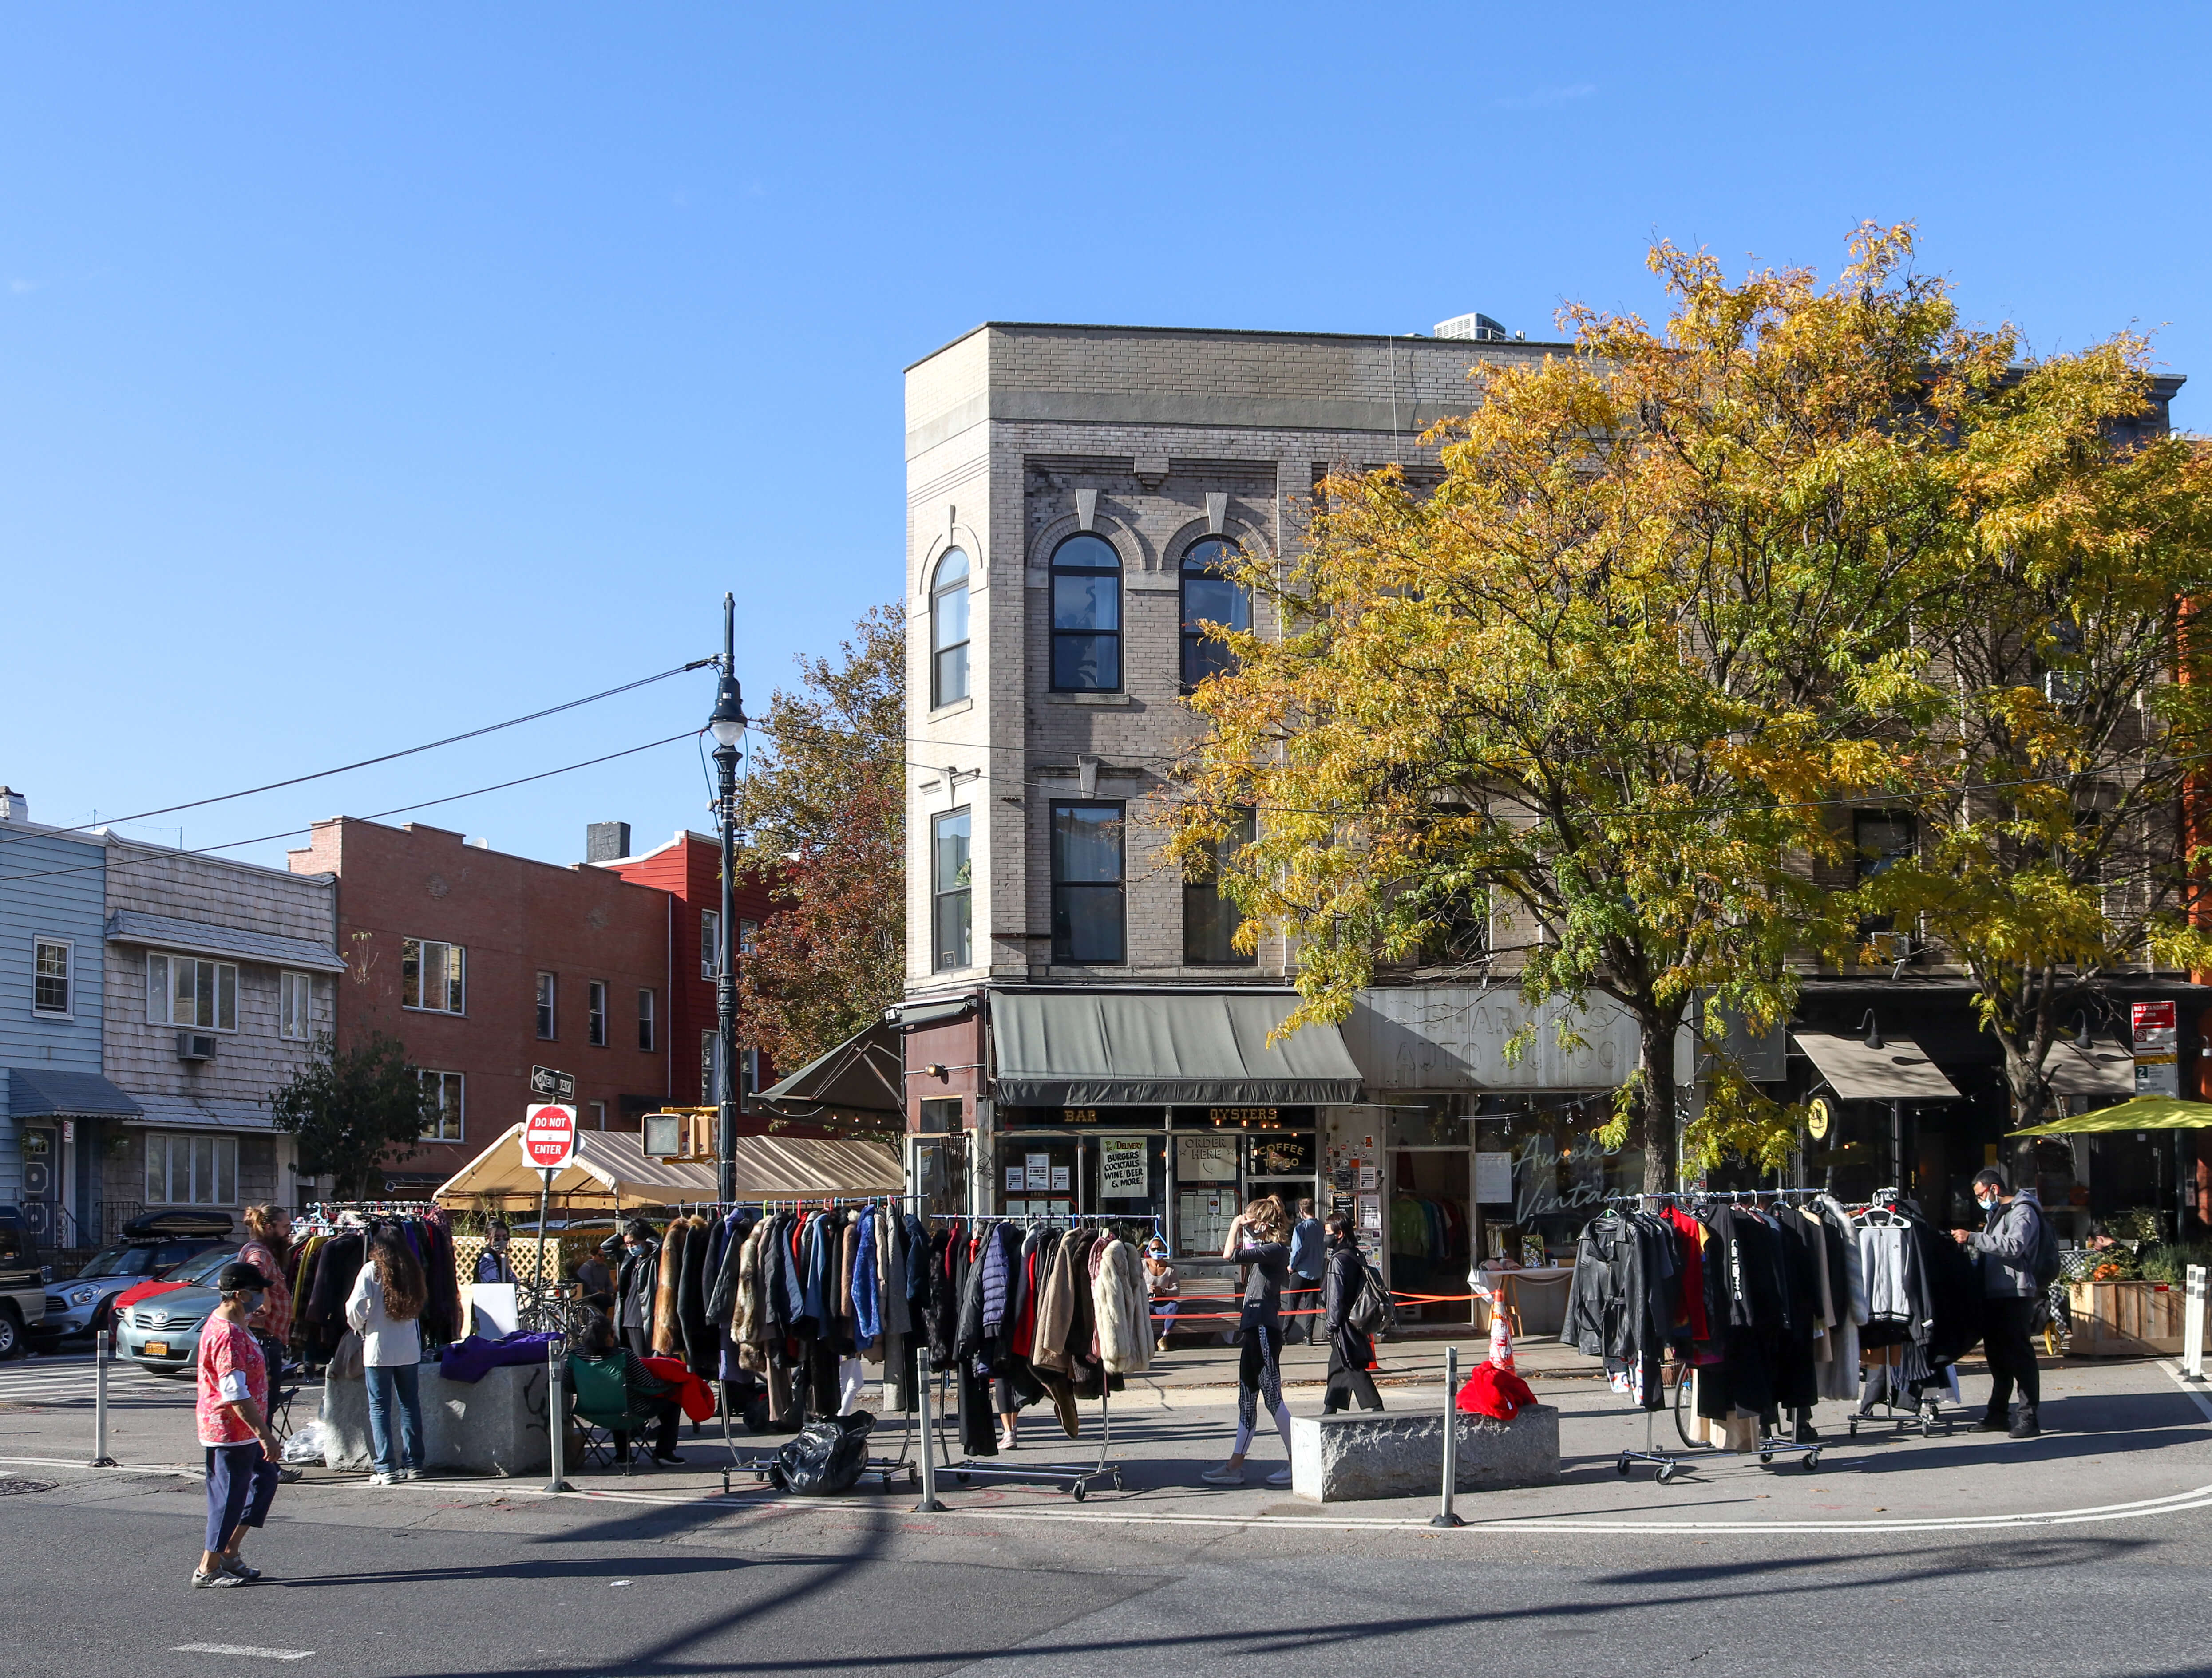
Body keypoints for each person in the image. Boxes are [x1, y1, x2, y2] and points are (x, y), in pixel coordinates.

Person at [192, 1261, 283, 1587]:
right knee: (229, 1496)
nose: (261, 1297)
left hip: (245, 1430)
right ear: (239, 1293)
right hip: (229, 1430)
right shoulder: (228, 1334)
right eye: (256, 1291)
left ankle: (229, 1552)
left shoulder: (239, 1323)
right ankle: (208, 1568)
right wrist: (266, 1436)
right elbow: (234, 1392)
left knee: (264, 1480)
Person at [1203, 1196, 1296, 1487]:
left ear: (1263, 1223)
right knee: (1247, 1399)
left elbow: (1229, 1254)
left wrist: (1234, 1224)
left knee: (1272, 1397)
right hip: (1253, 1329)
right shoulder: (1265, 1249)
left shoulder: (1276, 1249)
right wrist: (1251, 1230)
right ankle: (1234, 1466)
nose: (1246, 1224)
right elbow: (1247, 1250)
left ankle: (1298, 1460)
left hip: (1264, 1330)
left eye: (1251, 1220)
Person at [1954, 1168, 2047, 1438]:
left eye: (1981, 1194)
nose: (1979, 1200)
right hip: (1997, 1293)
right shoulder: (1998, 1213)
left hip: (2015, 1293)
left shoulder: (2023, 1210)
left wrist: (1973, 1237)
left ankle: (2028, 1418)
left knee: (2020, 1355)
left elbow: (2014, 1245)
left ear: (1994, 1188)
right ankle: (1998, 1414)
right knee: (1998, 1357)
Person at [347, 1230, 428, 1485]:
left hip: (378, 1346)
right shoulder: (413, 1270)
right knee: (409, 1405)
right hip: (408, 1348)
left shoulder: (373, 1270)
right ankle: (414, 1464)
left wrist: (359, 1327)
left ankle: (385, 1467)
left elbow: (357, 1307)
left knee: (380, 1408)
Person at [575, 1314, 685, 1465]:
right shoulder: (624, 1355)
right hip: (628, 1410)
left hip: (589, 1410)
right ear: (611, 1335)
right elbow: (648, 1384)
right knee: (671, 1402)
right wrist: (669, 1385)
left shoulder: (577, 1356)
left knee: (615, 1398)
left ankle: (623, 1454)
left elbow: (569, 1385)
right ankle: (664, 1452)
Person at [1320, 1212, 1384, 1413]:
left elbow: (1335, 1297)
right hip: (1356, 1318)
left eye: (1328, 1233)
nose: (1326, 1237)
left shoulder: (1338, 1261)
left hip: (1342, 1322)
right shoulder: (1355, 1255)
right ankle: (1331, 1407)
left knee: (1351, 1364)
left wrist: (1330, 1325)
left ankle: (1376, 1406)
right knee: (1338, 1364)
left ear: (1339, 1234)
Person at [237, 1204, 294, 1350]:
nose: (289, 1231)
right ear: (269, 1228)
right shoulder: (259, 1254)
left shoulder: (260, 1249)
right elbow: (256, 1283)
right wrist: (265, 1308)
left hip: (265, 1334)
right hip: (265, 1335)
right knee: (268, 1374)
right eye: (286, 1227)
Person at [615, 1219, 660, 1360]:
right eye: (627, 1244)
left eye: (634, 1243)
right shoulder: (630, 1259)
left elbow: (659, 1246)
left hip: (642, 1318)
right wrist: (622, 1235)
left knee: (645, 1361)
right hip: (626, 1318)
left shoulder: (652, 1259)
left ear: (645, 1240)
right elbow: (607, 1246)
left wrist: (648, 1238)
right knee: (633, 1363)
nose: (631, 1247)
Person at [1285, 1198, 1326, 1344]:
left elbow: (1297, 1250)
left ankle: (1284, 1335)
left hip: (1300, 1272)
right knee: (1311, 1306)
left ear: (1301, 1211)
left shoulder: (1300, 1229)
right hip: (1316, 1272)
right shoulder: (1321, 1226)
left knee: (1292, 1305)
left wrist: (1291, 1266)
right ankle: (1308, 1337)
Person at [1144, 1239, 1179, 1352]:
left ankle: (1163, 1337)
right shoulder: (1142, 1265)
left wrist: (1163, 1292)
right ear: (1149, 1251)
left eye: (1159, 1249)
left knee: (1175, 1307)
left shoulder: (1170, 1269)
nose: (1157, 1251)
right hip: (1146, 1303)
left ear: (1164, 1250)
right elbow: (1133, 1283)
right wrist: (1147, 1287)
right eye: (1154, 1249)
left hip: (1162, 1304)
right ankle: (1146, 1340)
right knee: (1137, 1309)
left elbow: (1177, 1291)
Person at [474, 1218, 517, 1284]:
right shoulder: (487, 1258)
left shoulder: (502, 1258)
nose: (502, 1241)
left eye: (505, 1238)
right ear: (488, 1238)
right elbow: (494, 1286)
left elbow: (515, 1284)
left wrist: (507, 1268)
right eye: (497, 1238)